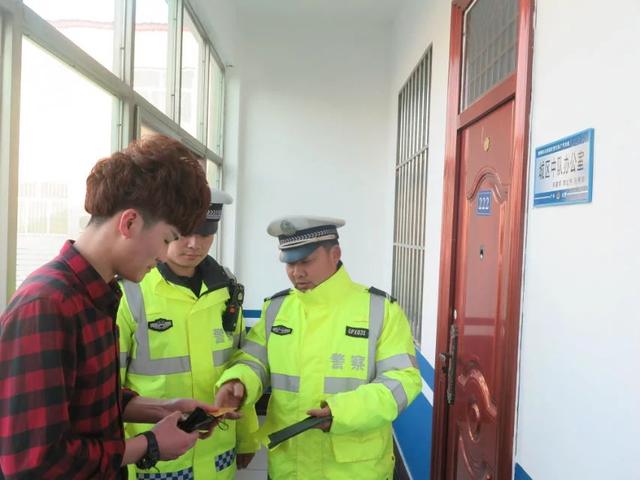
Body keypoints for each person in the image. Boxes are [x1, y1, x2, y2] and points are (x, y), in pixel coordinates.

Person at [0, 135, 220, 479]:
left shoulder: (97, 296)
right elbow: (33, 463)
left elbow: (87, 399)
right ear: (129, 223)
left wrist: (161, 408)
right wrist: (149, 445)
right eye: (166, 239)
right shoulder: (46, 305)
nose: (164, 256)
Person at [214, 216, 422, 479]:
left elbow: (403, 380)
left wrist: (342, 412)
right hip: (289, 467)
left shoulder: (380, 310)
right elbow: (254, 360)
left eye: (306, 261)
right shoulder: (277, 309)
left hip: (354, 469)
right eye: (290, 263)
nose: (296, 272)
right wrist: (238, 381)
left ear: (335, 254)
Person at [117, 187, 259, 479]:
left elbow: (238, 362)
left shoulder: (227, 287)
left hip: (219, 457)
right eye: (185, 233)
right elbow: (110, 388)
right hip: (155, 460)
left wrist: (246, 437)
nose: (195, 244)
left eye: (206, 234)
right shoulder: (131, 291)